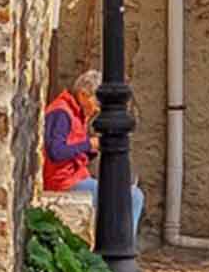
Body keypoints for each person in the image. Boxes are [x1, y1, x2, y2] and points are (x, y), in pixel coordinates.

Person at [42, 69, 143, 232]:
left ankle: (118, 241)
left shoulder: (76, 113)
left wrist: (94, 149)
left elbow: (73, 154)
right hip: (64, 183)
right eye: (96, 103)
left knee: (128, 192)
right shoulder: (61, 113)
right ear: (83, 95)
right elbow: (55, 152)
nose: (97, 110)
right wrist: (88, 144)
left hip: (76, 178)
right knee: (133, 196)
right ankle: (125, 245)